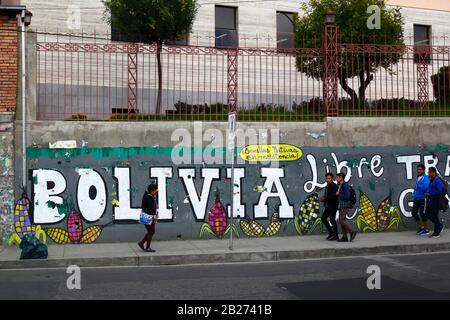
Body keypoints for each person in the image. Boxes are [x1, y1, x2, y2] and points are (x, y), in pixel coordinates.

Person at [336, 173, 357, 242]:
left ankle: (352, 232)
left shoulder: (345, 185)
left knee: (341, 220)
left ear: (341, 177)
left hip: (345, 205)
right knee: (342, 220)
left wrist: (339, 194)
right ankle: (344, 237)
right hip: (341, 205)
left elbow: (347, 196)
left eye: (338, 177)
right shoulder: (341, 185)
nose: (336, 179)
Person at [138, 184, 159, 252]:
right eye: (155, 191)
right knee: (151, 231)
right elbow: (150, 210)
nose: (156, 192)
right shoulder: (149, 198)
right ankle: (147, 247)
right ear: (151, 191)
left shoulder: (148, 196)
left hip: (147, 217)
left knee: (150, 231)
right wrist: (154, 217)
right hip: (148, 217)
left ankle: (142, 243)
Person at [425, 167, 444, 238]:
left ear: (434, 172)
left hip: (436, 200)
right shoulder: (432, 180)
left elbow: (439, 190)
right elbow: (432, 189)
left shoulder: (437, 180)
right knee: (428, 214)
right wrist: (428, 193)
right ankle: (439, 225)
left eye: (430, 172)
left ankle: (436, 233)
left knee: (434, 215)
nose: (429, 174)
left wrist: (430, 193)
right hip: (431, 200)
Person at [411, 164, 430, 236]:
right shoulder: (419, 178)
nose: (418, 171)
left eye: (420, 169)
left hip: (423, 199)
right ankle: (421, 227)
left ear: (423, 170)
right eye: (418, 169)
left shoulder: (425, 178)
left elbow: (426, 188)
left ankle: (425, 229)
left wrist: (419, 184)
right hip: (417, 198)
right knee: (414, 213)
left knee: (423, 214)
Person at [320, 173, 339, 241]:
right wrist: (324, 199)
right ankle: (331, 233)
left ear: (332, 179)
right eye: (327, 178)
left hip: (333, 206)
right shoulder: (327, 186)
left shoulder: (334, 186)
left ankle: (335, 235)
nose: (328, 180)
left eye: (329, 178)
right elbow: (328, 196)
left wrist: (325, 199)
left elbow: (334, 196)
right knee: (323, 218)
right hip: (328, 206)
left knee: (332, 220)